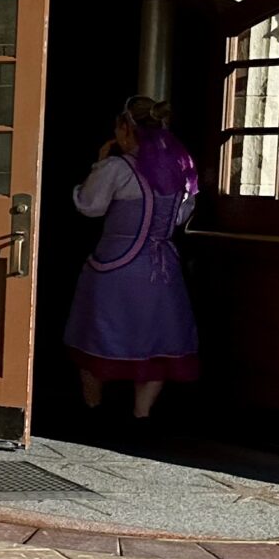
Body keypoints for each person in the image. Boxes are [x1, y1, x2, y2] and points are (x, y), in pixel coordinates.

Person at [63, 95, 200, 420]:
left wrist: (97, 165)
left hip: (114, 268)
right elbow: (180, 217)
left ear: (126, 128)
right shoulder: (179, 169)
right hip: (161, 270)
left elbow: (90, 206)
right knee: (156, 342)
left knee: (97, 337)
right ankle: (142, 415)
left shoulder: (117, 168)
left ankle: (92, 410)